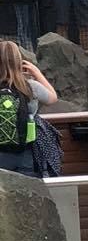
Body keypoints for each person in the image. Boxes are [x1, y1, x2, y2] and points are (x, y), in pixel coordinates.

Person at [0, 37, 56, 175]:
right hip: (26, 153)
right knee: (27, 192)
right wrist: (37, 73)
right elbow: (52, 98)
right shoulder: (31, 87)